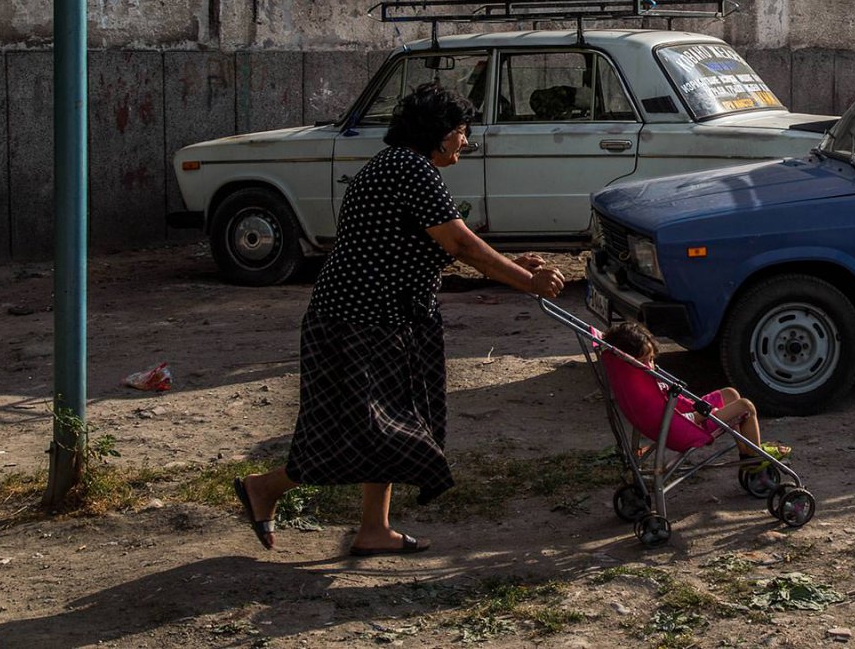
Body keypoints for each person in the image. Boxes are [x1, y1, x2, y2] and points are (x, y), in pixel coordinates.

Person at [233, 82, 565, 557]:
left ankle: (373, 527)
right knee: (357, 427)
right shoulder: (411, 170)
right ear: (440, 133)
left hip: (374, 317)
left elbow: (444, 241)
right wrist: (525, 281)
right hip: (359, 320)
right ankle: (267, 487)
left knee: (384, 420)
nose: (466, 142)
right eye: (461, 131)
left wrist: (520, 265)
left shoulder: (399, 168)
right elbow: (461, 244)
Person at [601, 319, 789, 463]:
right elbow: (672, 420)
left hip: (679, 419)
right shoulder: (644, 389)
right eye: (644, 361)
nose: (650, 365)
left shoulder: (633, 379)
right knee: (745, 407)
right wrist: (701, 415)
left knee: (730, 394)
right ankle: (755, 458)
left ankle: (747, 451)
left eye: (651, 359)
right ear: (628, 361)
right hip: (685, 428)